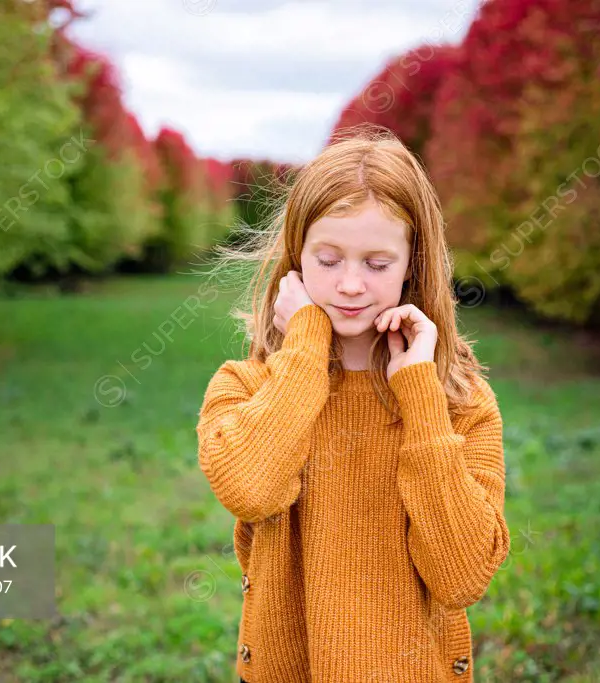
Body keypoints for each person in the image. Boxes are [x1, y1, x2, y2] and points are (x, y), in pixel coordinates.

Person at [196, 126, 509, 682]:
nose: (349, 285)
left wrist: (419, 395)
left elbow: (461, 576)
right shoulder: (247, 386)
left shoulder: (460, 403)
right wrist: (306, 346)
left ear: (412, 263)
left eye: (376, 263)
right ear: (297, 259)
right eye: (329, 259)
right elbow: (251, 488)